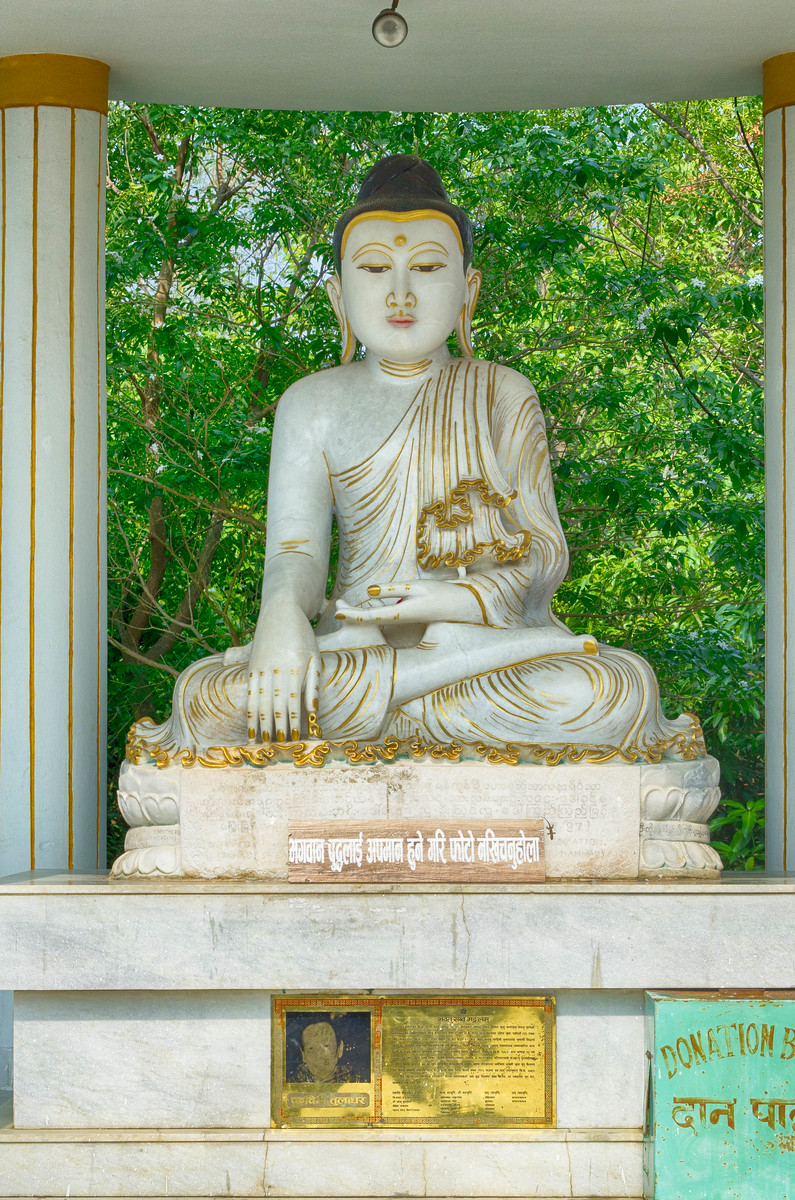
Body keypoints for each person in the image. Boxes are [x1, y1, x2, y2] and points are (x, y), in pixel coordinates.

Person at [130, 155, 705, 766]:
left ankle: (411, 690)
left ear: (468, 289)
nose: (400, 292)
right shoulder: (310, 403)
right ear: (338, 295)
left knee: (613, 688)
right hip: (354, 645)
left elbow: (543, 552)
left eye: (428, 267)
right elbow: (296, 553)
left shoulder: (501, 391)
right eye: (374, 268)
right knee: (210, 699)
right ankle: (415, 686)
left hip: (482, 646)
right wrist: (280, 621)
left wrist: (444, 604)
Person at [292, 1020, 358, 1084]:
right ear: (303, 1055)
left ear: (339, 1049)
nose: (319, 1055)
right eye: (311, 1048)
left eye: (326, 1046)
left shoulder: (354, 1079)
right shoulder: (294, 1081)